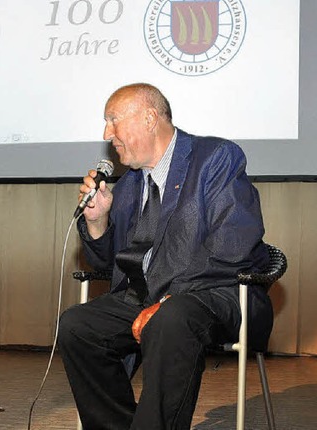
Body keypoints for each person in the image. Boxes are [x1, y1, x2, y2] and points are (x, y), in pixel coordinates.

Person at [58, 83, 272, 430]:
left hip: (216, 293)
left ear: (149, 118)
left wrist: (174, 295)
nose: (106, 133)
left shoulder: (214, 158)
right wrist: (97, 223)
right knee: (77, 326)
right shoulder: (128, 186)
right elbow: (109, 267)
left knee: (172, 317)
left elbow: (233, 242)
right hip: (145, 296)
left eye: (113, 120)